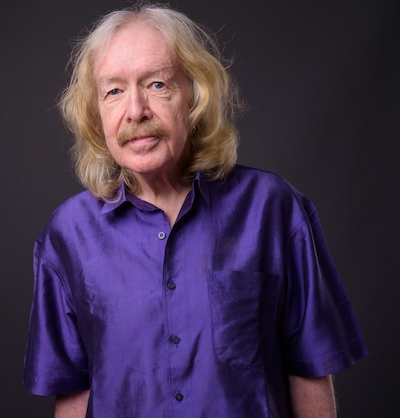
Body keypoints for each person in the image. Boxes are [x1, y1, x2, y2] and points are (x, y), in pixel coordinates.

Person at [23, 3, 367, 417]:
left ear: (193, 95)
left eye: (156, 84)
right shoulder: (68, 235)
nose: (136, 111)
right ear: (96, 114)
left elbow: (311, 371)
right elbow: (74, 395)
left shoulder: (274, 210)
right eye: (114, 90)